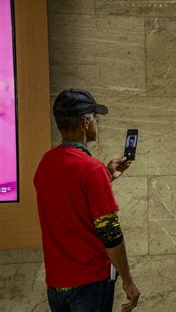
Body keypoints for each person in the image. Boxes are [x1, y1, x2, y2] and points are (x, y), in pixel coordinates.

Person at [34, 89, 140, 312]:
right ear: (85, 121)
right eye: (95, 118)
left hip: (56, 285)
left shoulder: (46, 163)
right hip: (89, 284)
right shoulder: (91, 169)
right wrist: (128, 282)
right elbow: (110, 233)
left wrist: (107, 176)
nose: (97, 124)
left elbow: (69, 204)